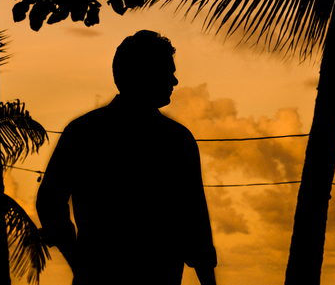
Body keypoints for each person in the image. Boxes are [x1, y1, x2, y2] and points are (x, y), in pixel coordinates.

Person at [37, 31, 218, 285]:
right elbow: (194, 223)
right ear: (145, 74)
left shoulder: (83, 132)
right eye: (167, 71)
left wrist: (79, 261)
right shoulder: (176, 140)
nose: (175, 80)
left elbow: (49, 202)